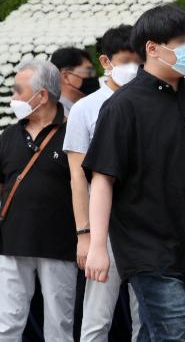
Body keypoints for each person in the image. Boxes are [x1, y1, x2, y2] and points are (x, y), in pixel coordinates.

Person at [82, 4, 185, 341]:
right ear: (152, 48)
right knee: (175, 334)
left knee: (155, 333)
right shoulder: (123, 107)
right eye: (182, 41)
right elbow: (102, 177)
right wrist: (97, 245)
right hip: (149, 249)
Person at [63, 25, 142, 342]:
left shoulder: (152, 101)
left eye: (138, 60)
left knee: (147, 318)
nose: (133, 68)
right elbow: (77, 176)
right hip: (104, 226)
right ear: (106, 62)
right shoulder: (86, 108)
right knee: (96, 319)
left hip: (146, 224)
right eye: (125, 60)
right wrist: (85, 234)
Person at [0, 60, 77, 341]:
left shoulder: (73, 134)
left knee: (59, 326)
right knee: (6, 324)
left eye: (18, 90)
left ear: (41, 95)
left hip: (60, 244)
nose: (13, 98)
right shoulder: (8, 136)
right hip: (11, 243)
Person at [50, 47, 100, 116]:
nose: (93, 76)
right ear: (66, 77)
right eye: (88, 71)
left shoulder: (88, 107)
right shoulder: (57, 115)